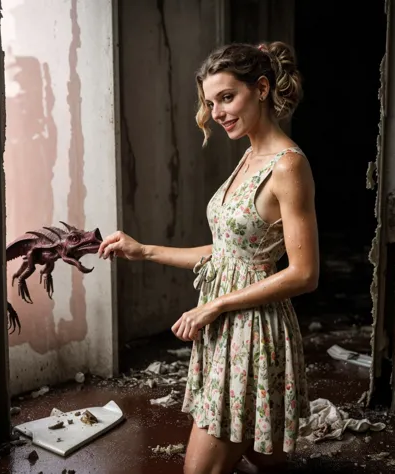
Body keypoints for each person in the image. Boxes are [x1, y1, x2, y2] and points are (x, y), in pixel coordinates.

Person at [98, 40, 318, 474]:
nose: (216, 112)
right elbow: (231, 253)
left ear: (260, 88)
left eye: (226, 97)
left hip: (253, 334)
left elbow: (304, 274)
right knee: (263, 457)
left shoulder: (288, 165)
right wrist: (144, 250)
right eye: (209, 101)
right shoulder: (250, 155)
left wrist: (213, 305)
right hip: (226, 331)